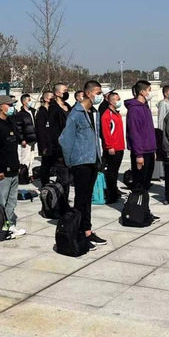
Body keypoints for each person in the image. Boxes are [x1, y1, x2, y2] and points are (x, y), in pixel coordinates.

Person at [60, 80, 106, 249]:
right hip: (80, 162)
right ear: (88, 93)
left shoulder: (94, 112)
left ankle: (87, 230)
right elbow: (65, 140)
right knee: (81, 199)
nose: (100, 96)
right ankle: (78, 232)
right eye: (98, 93)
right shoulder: (76, 113)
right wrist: (70, 161)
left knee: (87, 199)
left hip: (93, 160)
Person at [0, 95, 27, 237]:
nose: (12, 108)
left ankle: (9, 224)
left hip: (13, 168)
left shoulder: (10, 122)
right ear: (1, 106)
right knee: (0, 201)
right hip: (2, 171)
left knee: (12, 201)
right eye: (9, 105)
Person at [125, 80, 158, 189]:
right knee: (139, 183)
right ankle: (137, 199)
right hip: (141, 152)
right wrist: (139, 155)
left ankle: (144, 199)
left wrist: (153, 150)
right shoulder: (134, 110)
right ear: (142, 92)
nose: (150, 93)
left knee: (146, 183)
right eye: (149, 90)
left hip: (149, 150)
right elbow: (135, 133)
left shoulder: (145, 107)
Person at [101, 91, 125, 203]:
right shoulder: (107, 115)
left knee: (115, 171)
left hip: (120, 147)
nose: (119, 101)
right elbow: (106, 132)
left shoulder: (117, 114)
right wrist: (109, 146)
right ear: (111, 101)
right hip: (112, 148)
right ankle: (111, 194)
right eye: (117, 99)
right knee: (111, 172)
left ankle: (114, 191)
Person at [47, 82, 71, 194]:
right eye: (64, 91)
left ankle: (64, 199)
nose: (66, 93)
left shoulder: (68, 107)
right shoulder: (53, 109)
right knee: (63, 178)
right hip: (60, 149)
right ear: (57, 93)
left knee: (69, 178)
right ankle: (60, 200)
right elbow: (53, 132)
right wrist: (58, 150)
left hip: (70, 147)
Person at [35, 91, 54, 185]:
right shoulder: (42, 112)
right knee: (46, 165)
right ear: (46, 99)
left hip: (52, 142)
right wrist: (43, 146)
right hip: (45, 144)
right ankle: (45, 184)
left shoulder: (51, 110)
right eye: (51, 97)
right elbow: (40, 131)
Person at [15, 94, 37, 171]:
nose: (30, 102)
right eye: (29, 100)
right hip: (26, 139)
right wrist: (22, 139)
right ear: (24, 102)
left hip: (33, 138)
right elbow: (19, 128)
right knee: (25, 158)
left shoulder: (33, 111)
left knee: (31, 157)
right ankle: (24, 172)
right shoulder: (20, 114)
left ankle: (30, 172)